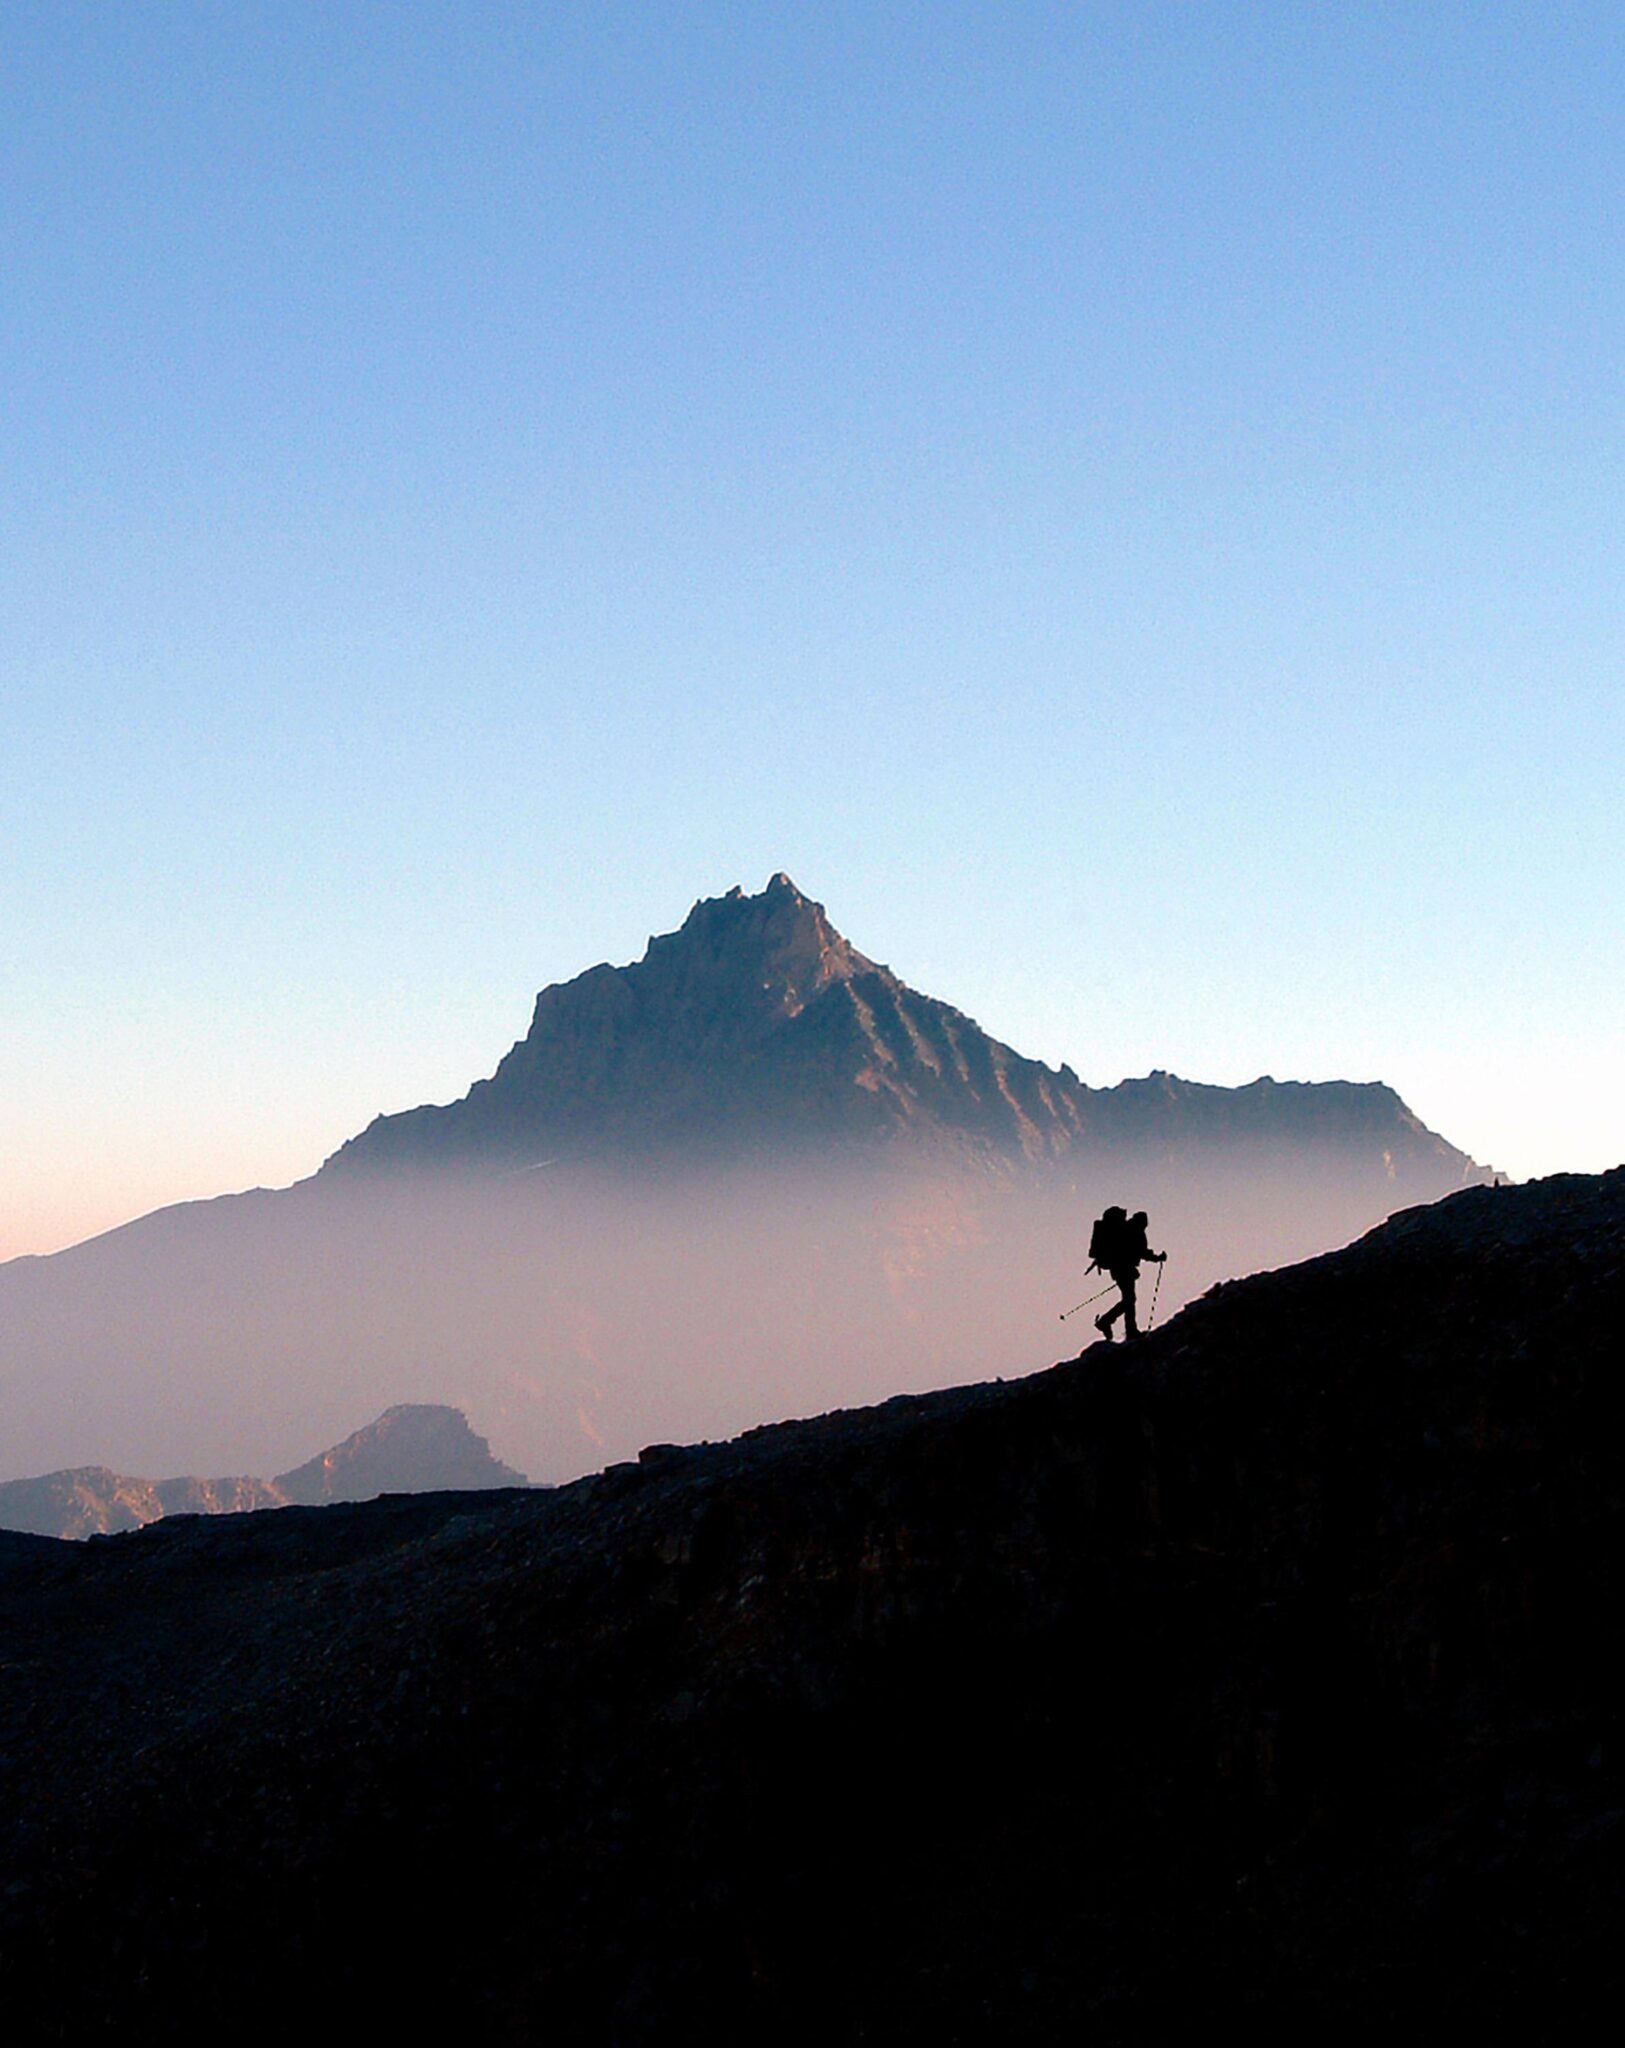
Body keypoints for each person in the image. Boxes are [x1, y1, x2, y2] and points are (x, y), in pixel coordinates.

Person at [1093, 1208, 1166, 1342]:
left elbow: (1140, 1251)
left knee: (1129, 1299)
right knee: (1129, 1299)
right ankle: (1117, 1325)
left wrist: (1155, 1258)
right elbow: (1141, 1252)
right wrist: (1157, 1258)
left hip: (1120, 1269)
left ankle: (1116, 1324)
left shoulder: (1128, 1229)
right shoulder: (1134, 1231)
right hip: (1123, 1269)